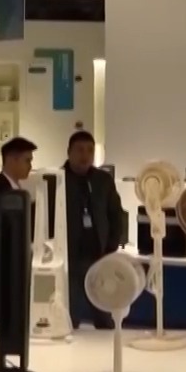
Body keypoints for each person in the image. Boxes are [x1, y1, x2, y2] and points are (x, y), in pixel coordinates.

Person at [61, 130, 127, 328]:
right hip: (69, 258)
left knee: (104, 317)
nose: (85, 155)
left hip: (98, 256)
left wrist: (111, 247)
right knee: (69, 315)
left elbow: (116, 215)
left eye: (90, 150)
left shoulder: (103, 181)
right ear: (69, 152)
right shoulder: (57, 180)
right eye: (80, 150)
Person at [0, 136, 37, 326]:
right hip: (0, 268)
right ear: (12, 159)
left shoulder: (11, 188)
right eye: (27, 160)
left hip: (7, 266)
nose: (30, 166)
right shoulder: (1, 191)